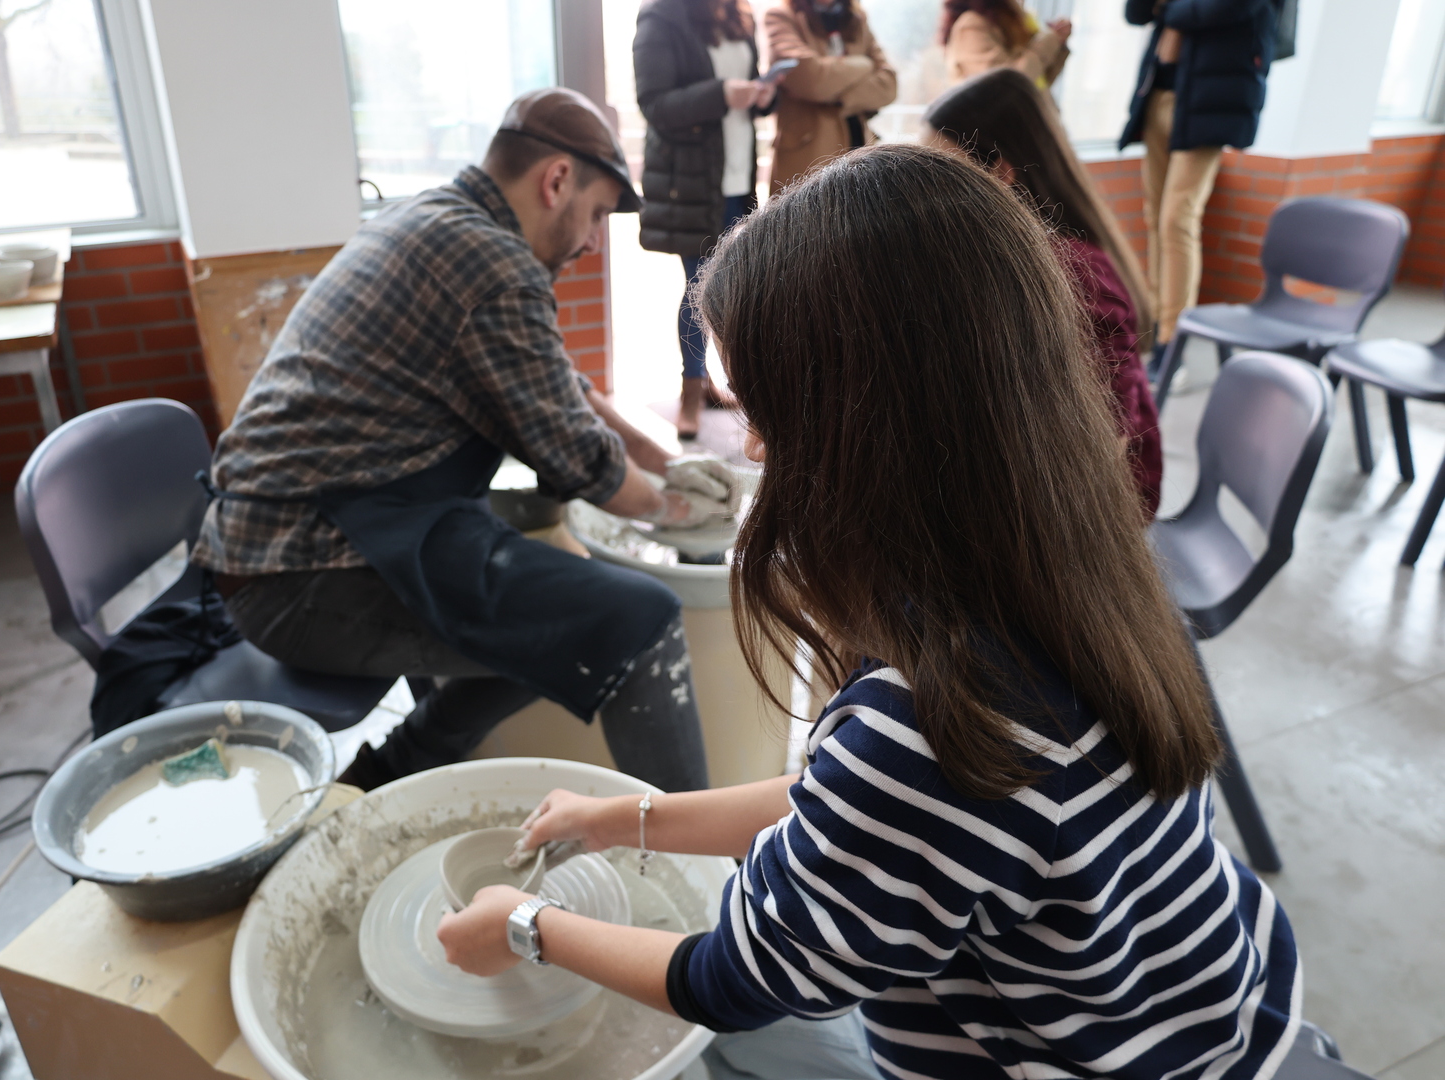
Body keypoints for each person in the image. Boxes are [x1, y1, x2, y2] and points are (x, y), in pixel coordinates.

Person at [437, 145, 1302, 1080]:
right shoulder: (1083, 577)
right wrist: (627, 818)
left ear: (864, 432)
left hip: (1095, 1062)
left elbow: (730, 975)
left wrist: (526, 926)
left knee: (732, 1049)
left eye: (765, 410)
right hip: (1217, 1007)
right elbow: (855, 813)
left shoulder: (930, 722)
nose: (756, 444)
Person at [193, 88, 737, 796]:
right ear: (556, 181)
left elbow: (568, 389)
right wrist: (684, 513)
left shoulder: (437, 217)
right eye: (598, 214)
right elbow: (585, 465)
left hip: (300, 542)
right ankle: (687, 857)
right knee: (638, 620)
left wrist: (673, 463)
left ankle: (385, 777)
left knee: (545, 621)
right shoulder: (490, 263)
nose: (593, 241)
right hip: (300, 574)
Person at [925, 67, 1163, 518]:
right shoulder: (1002, 251)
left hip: (1101, 506)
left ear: (1001, 172)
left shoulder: (1076, 274)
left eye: (943, 172)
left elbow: (1108, 437)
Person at [634, 0, 780, 440]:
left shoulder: (741, 13)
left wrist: (761, 98)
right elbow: (655, 105)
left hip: (739, 173)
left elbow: (745, 94)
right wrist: (720, 94)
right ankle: (691, 391)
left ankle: (729, 384)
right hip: (695, 181)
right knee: (700, 284)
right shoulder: (660, 16)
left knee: (743, 283)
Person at [1121, 0, 1282, 362]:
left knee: (1177, 220)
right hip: (1160, 93)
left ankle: (1171, 343)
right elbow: (1136, 13)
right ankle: (1155, 325)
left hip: (1211, 104)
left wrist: (1167, 6)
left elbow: (1211, 10)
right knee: (1155, 217)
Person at [763, 0, 896, 192]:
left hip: (859, 150)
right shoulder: (781, 15)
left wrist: (839, 96)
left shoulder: (856, 18)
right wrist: (864, 64)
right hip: (807, 159)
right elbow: (811, 80)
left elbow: (889, 85)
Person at [941, 0, 1070, 89]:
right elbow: (1007, 84)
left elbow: (1038, 84)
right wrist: (1050, 41)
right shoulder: (972, 26)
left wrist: (1058, 43)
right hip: (993, 126)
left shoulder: (1015, 20)